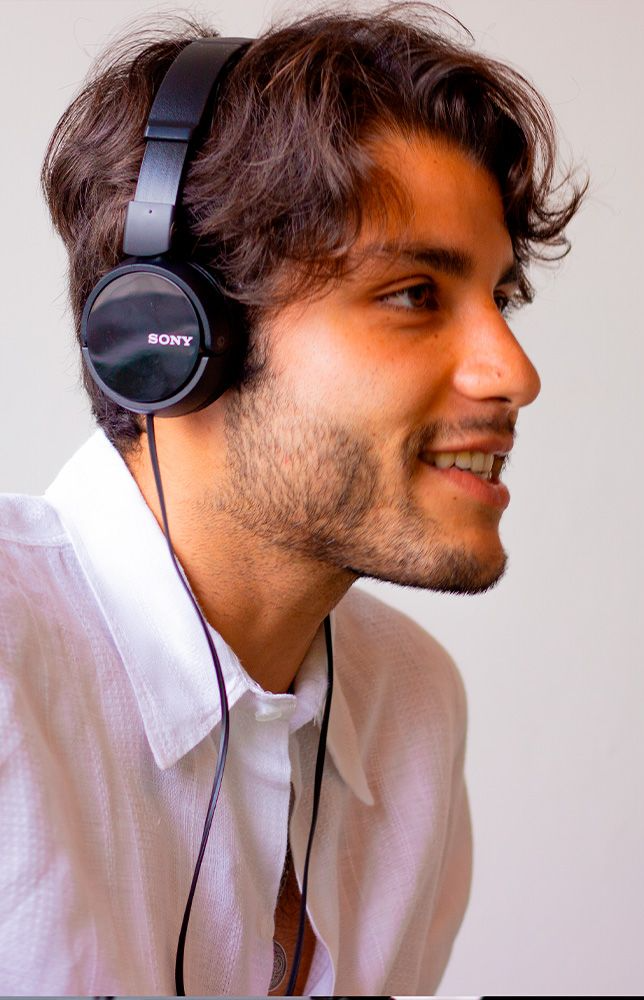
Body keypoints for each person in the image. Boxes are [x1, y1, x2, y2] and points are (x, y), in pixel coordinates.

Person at [0, 4, 584, 995]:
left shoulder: (411, 702)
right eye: (414, 294)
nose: (514, 373)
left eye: (500, 300)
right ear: (175, 336)